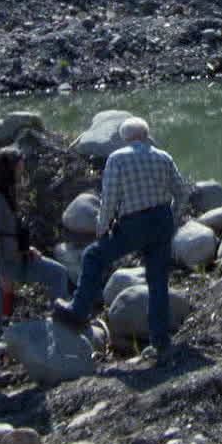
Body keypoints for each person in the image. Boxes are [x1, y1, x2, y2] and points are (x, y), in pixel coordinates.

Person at [52, 117, 187, 365]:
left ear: (124, 138)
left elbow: (110, 199)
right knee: (158, 282)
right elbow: (181, 192)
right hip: (162, 221)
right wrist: (173, 218)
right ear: (145, 135)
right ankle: (161, 343)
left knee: (93, 256)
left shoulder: (117, 158)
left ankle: (79, 310)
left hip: (134, 223)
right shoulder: (163, 157)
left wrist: (102, 228)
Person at [0, 146, 71, 392]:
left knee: (57, 273)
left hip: (18, 259)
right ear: (9, 168)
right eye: (19, 165)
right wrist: (3, 274)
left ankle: (60, 335)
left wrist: (27, 249)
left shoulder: (7, 192)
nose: (22, 169)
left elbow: (13, 231)